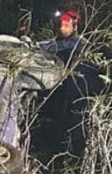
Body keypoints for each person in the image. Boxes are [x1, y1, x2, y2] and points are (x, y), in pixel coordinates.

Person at [39, 9, 104, 156]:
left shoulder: (78, 43)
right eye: (60, 25)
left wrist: (34, 45)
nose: (62, 28)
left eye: (66, 25)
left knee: (77, 120)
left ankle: (77, 152)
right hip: (69, 89)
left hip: (81, 90)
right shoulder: (61, 41)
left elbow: (53, 47)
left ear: (74, 26)